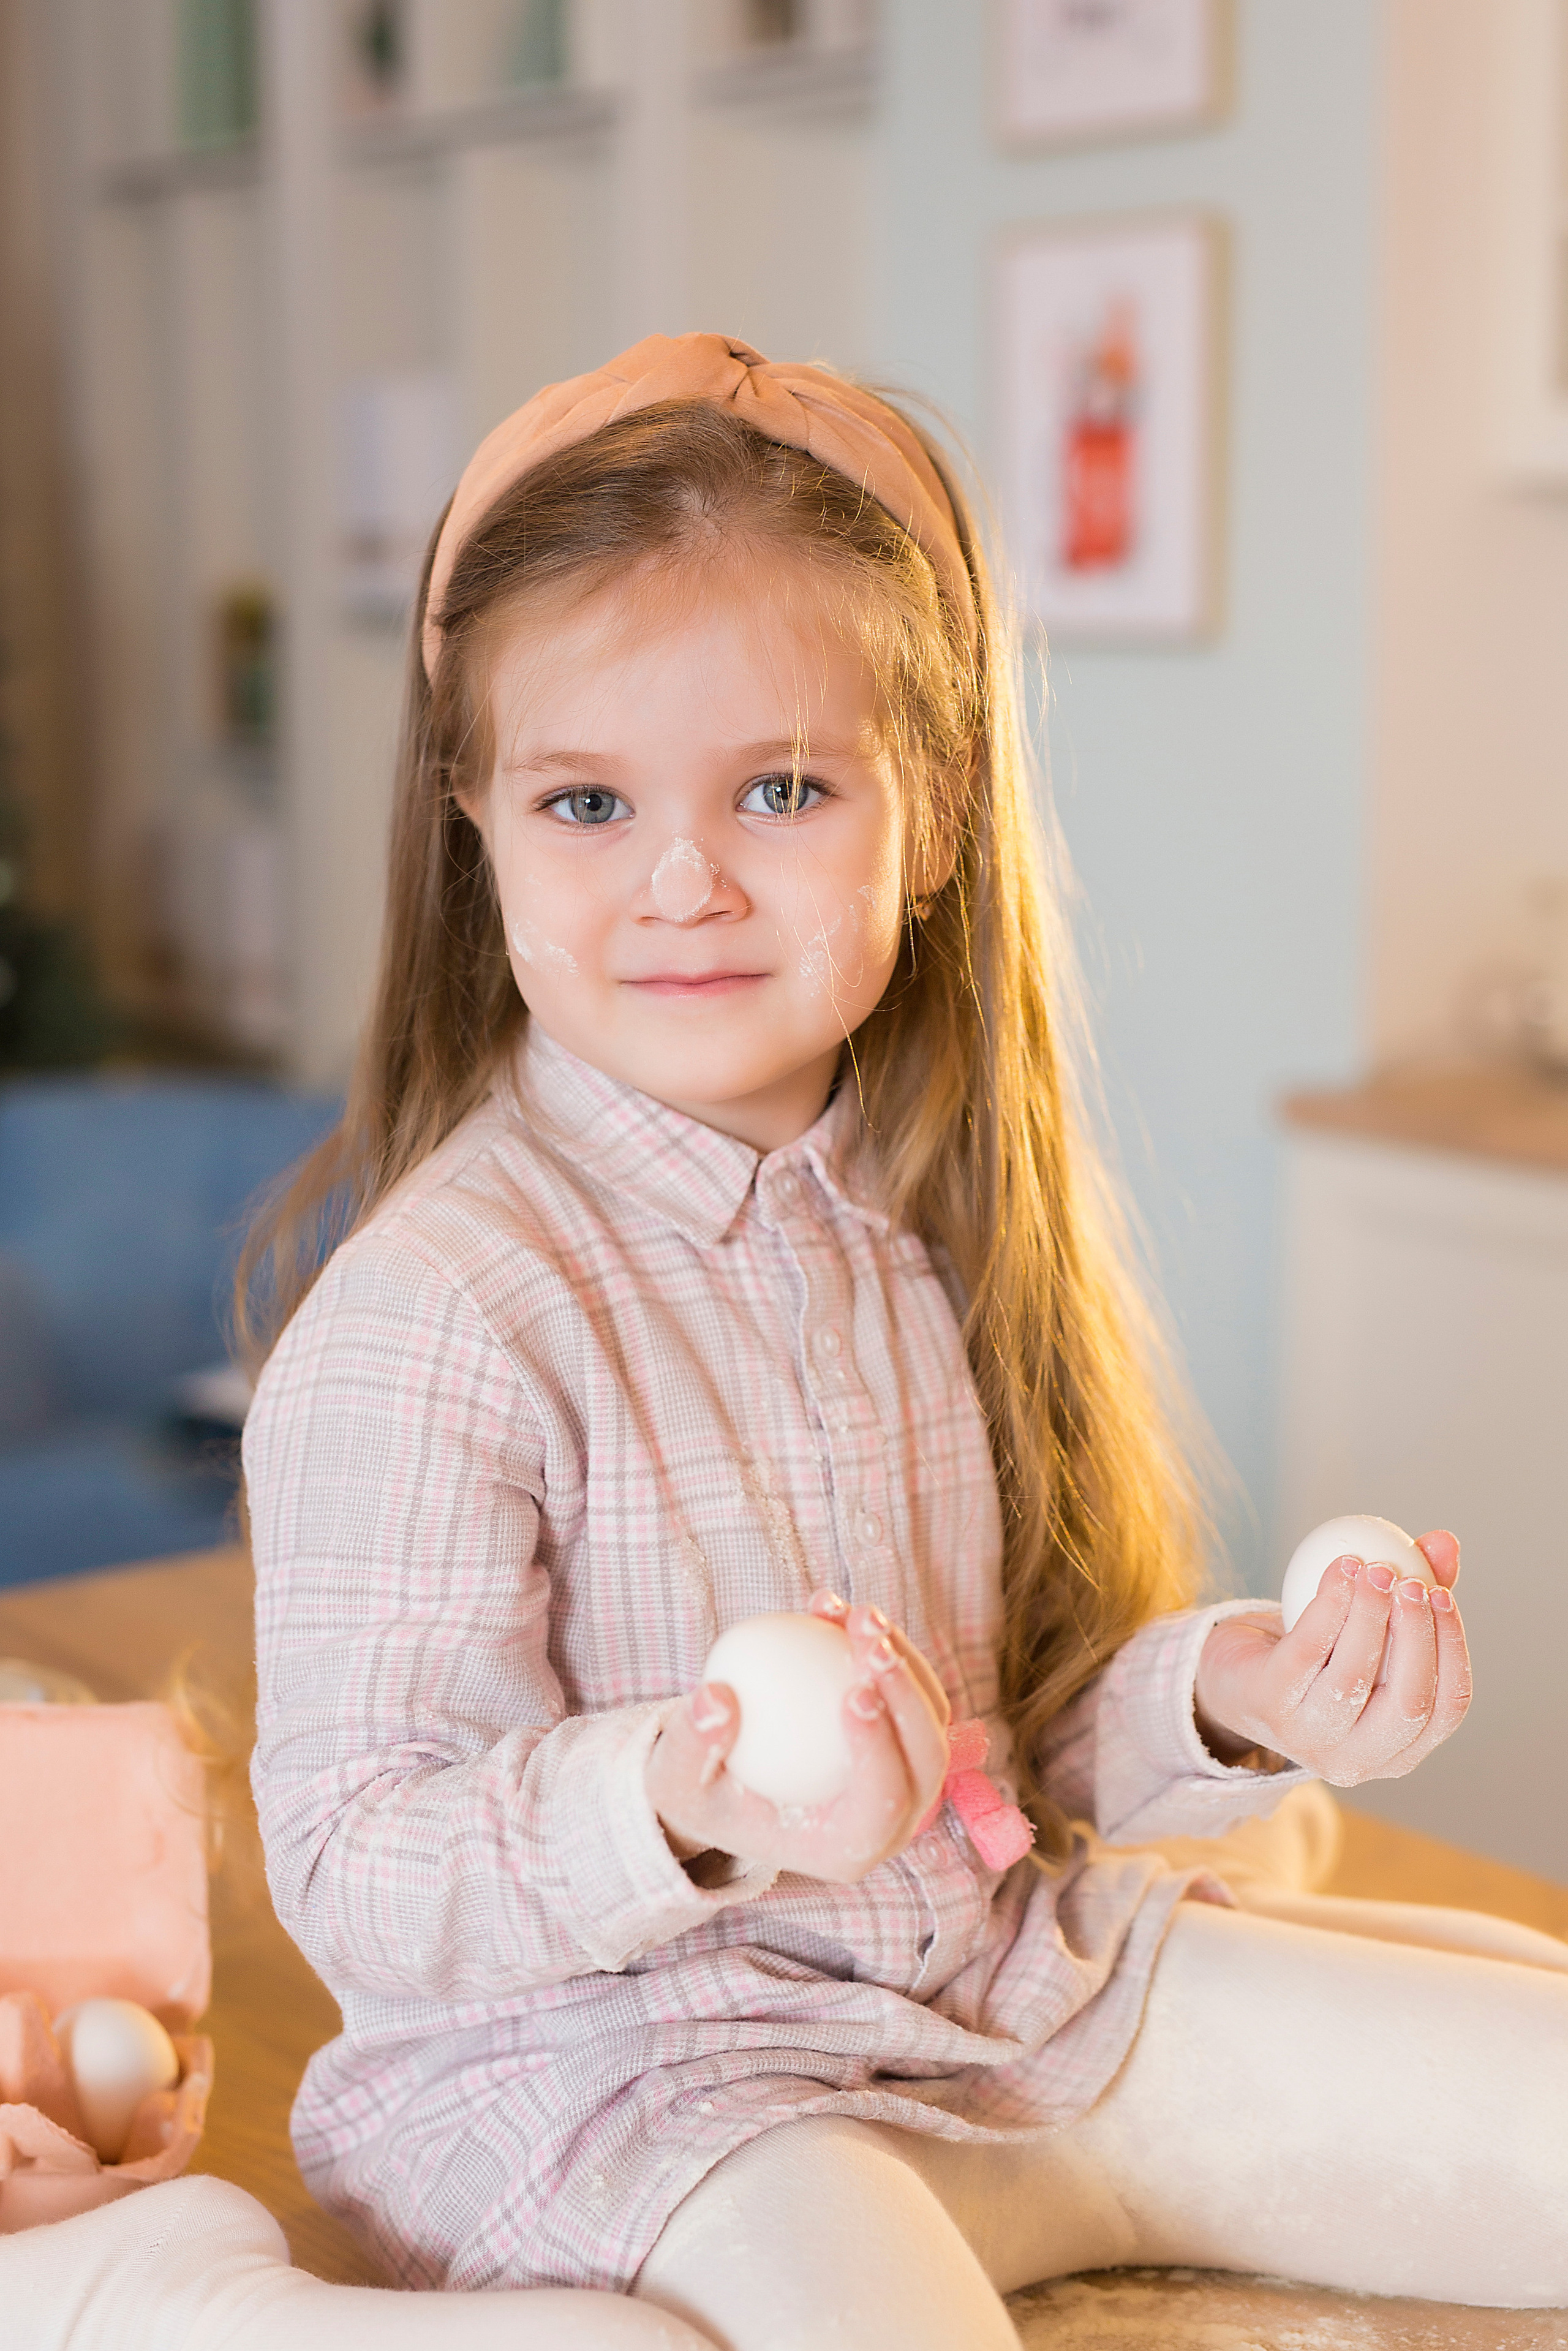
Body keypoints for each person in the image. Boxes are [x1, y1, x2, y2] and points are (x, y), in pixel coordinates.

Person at [14, 333, 1561, 2350]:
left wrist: (1237, 1697)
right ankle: (154, 2303)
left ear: (930, 831)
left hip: (1008, 2006)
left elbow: (999, 1784)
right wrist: (689, 1796)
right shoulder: (438, 1317)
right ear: (477, 833)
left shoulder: (915, 1230)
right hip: (632, 2085)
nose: (683, 875)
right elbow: (361, 1867)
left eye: (784, 787)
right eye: (587, 798)